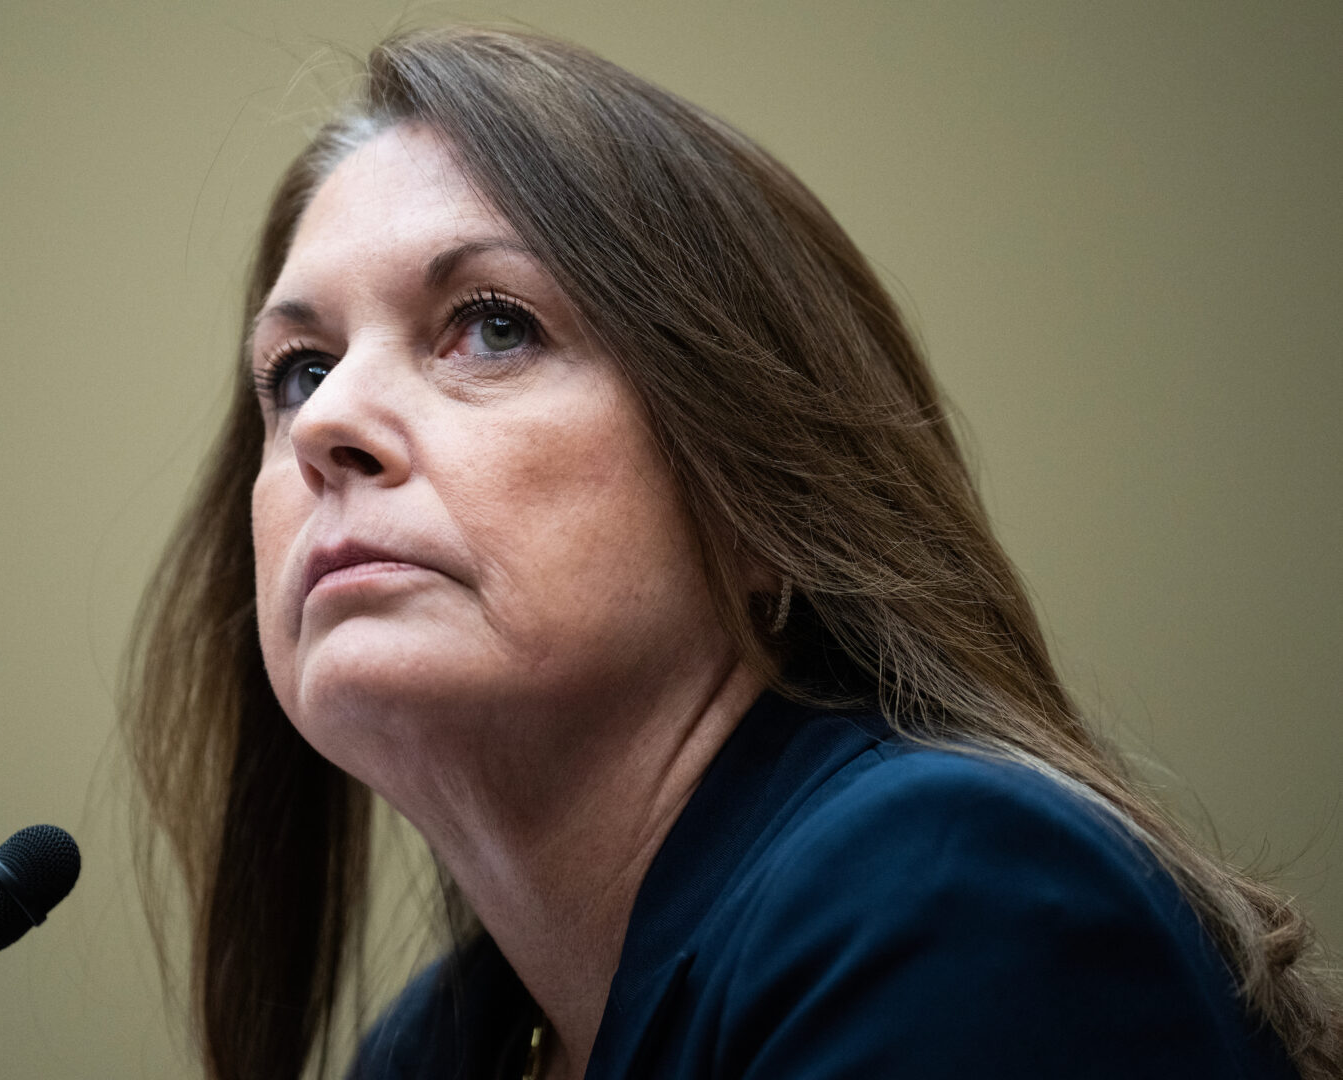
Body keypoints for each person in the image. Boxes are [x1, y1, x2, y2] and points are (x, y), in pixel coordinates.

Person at [124, 26, 1341, 1080]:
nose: (330, 422)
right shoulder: (445, 1047)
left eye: (492, 326)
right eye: (299, 370)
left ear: (758, 495)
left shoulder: (944, 898)